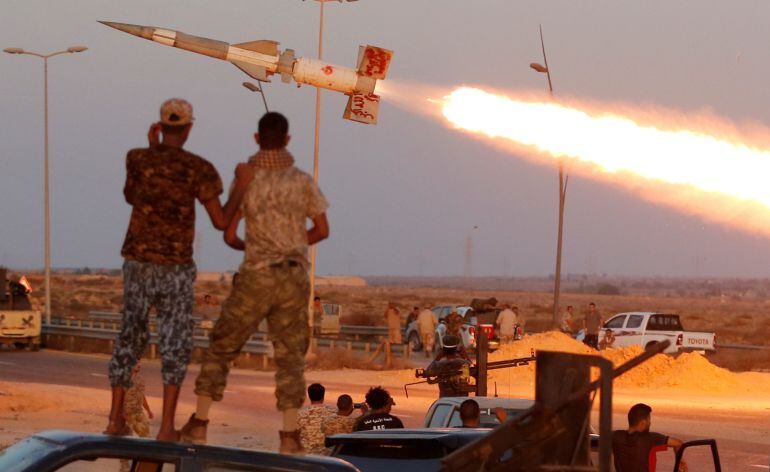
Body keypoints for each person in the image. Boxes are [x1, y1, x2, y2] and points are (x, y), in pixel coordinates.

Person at [180, 112, 330, 454]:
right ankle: (290, 435)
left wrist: (258, 248)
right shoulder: (304, 181)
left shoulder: (248, 179)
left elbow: (229, 232)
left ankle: (200, 423)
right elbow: (322, 229)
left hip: (256, 275)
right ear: (288, 140)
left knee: (224, 343)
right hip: (293, 276)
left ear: (256, 138)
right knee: (291, 354)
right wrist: (290, 244)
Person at [106, 99, 245, 441]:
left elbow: (130, 196)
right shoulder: (199, 168)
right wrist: (241, 184)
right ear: (188, 128)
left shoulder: (137, 158)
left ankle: (114, 419)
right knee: (175, 344)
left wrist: (152, 151)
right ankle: (166, 427)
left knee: (130, 336)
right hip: (175, 267)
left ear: (160, 125)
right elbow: (220, 220)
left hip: (138, 261)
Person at [612, 403, 685, 472]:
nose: (650, 423)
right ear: (642, 423)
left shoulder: (615, 436)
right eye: (648, 420)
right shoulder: (650, 438)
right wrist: (680, 463)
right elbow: (678, 443)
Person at [119, 360, 153, 472]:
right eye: (136, 362)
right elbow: (118, 397)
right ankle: (124, 467)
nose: (139, 365)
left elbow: (142, 396)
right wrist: (120, 414)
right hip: (126, 414)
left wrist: (148, 410)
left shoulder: (140, 379)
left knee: (147, 439)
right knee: (125, 440)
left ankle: (144, 465)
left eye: (140, 363)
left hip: (138, 413)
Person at [296, 383, 336, 455]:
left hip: (308, 456)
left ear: (309, 396)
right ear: (323, 396)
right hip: (328, 456)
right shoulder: (334, 413)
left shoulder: (300, 414)